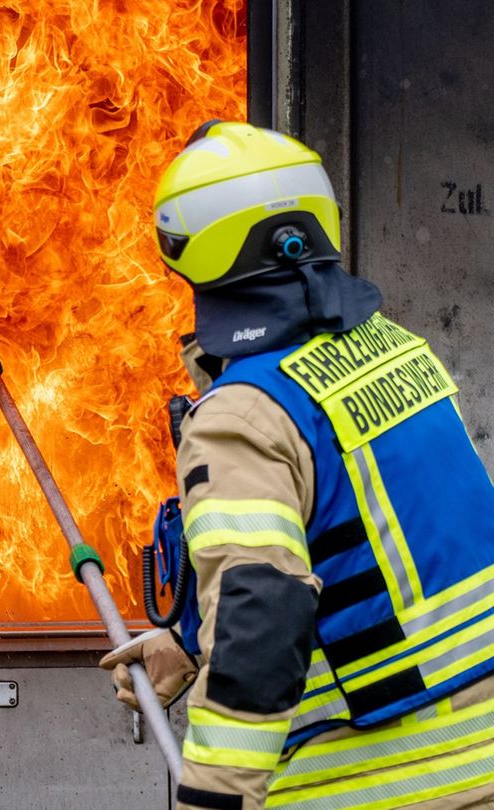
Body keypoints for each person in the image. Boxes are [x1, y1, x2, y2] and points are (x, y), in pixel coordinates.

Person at [99, 121, 494, 809]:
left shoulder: (240, 416)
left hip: (382, 782)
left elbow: (262, 618)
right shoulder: (396, 350)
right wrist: (191, 640)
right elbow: (357, 543)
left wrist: (213, 797)